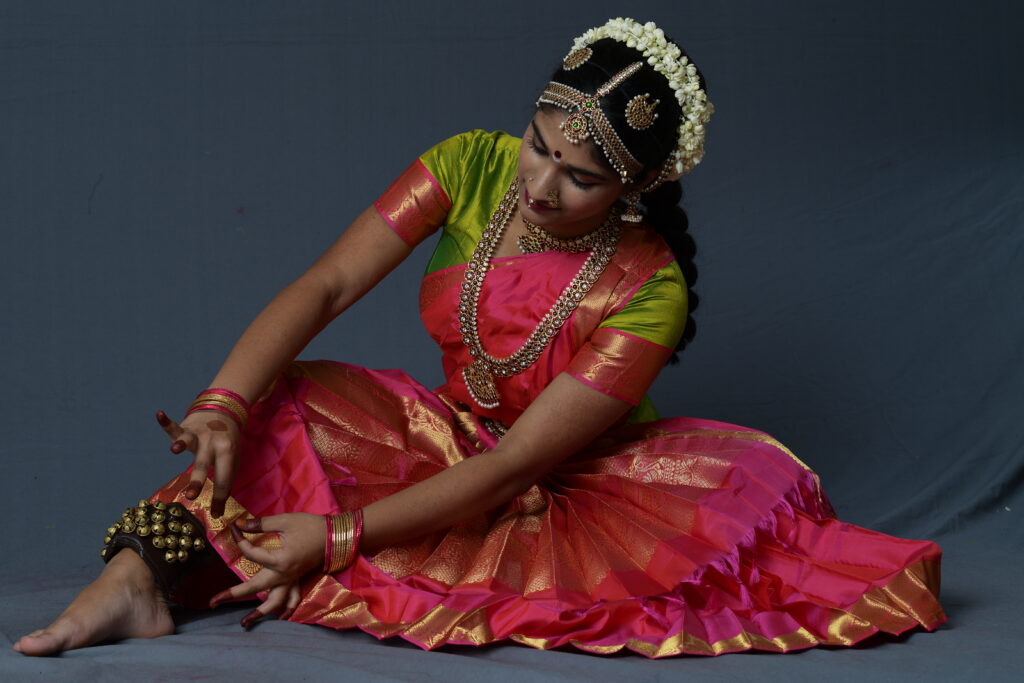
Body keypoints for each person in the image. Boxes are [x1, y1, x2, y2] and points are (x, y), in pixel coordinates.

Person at [14, 18, 945, 658]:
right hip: (444, 435)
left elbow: (513, 468)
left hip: (568, 482)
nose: (540, 185)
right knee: (281, 397)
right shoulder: (468, 164)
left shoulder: (649, 286)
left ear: (636, 189)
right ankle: (137, 577)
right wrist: (224, 400)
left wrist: (337, 535)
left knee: (387, 538)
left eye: (581, 177)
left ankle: (201, 573)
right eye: (540, 143)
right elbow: (328, 284)